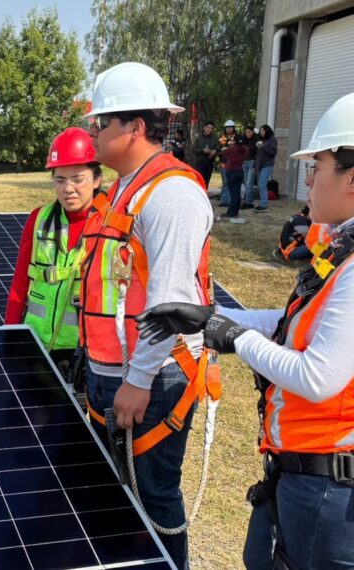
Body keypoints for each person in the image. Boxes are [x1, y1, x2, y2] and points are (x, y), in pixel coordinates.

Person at [137, 90, 354, 570]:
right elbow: (297, 326)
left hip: (340, 488)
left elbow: (316, 376)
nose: (307, 179)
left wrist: (233, 336)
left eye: (317, 166)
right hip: (320, 472)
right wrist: (206, 318)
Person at [80, 61, 215, 569]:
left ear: (136, 128)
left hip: (154, 379)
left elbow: (172, 303)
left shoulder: (172, 195)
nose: (94, 132)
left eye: (103, 122)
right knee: (117, 500)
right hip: (114, 370)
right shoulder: (125, 186)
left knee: (152, 499)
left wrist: (136, 381)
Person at [5, 127, 102, 372]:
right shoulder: (39, 218)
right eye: (60, 179)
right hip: (36, 340)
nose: (68, 188)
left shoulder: (110, 224)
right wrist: (10, 332)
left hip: (85, 349)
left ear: (97, 179)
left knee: (74, 411)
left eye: (77, 179)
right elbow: (20, 282)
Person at [220, 133, 249, 223]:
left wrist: (225, 148)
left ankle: (231, 212)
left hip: (231, 171)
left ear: (235, 141)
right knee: (237, 193)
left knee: (233, 193)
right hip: (240, 171)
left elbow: (223, 153)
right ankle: (236, 211)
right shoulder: (245, 149)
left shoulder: (232, 148)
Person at [254, 125, 278, 212]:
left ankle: (264, 205)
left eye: (262, 130)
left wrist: (263, 146)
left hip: (267, 165)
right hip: (260, 165)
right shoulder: (263, 140)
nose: (261, 132)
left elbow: (272, 152)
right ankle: (262, 204)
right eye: (260, 131)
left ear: (267, 131)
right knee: (261, 185)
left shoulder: (272, 139)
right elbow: (259, 156)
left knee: (262, 184)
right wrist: (256, 166)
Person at [192, 121, 218, 192]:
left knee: (206, 182)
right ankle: (197, 196)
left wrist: (215, 151)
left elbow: (218, 148)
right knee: (199, 181)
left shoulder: (215, 138)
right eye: (209, 128)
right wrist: (203, 150)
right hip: (200, 163)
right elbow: (194, 149)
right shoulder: (199, 137)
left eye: (212, 128)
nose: (210, 130)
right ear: (205, 128)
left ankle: (204, 197)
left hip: (209, 162)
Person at [217, 119, 238, 207]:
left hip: (233, 164)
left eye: (230, 127)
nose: (229, 129)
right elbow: (218, 149)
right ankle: (223, 200)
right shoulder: (222, 138)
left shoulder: (237, 137)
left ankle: (230, 200)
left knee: (231, 181)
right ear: (225, 129)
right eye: (227, 128)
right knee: (225, 181)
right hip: (223, 163)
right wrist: (221, 151)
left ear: (233, 128)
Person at [242, 127, 258, 208]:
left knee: (249, 183)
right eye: (246, 132)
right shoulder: (243, 141)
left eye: (249, 132)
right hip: (244, 162)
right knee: (246, 183)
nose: (248, 133)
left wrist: (256, 164)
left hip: (252, 162)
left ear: (253, 132)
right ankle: (250, 201)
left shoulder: (256, 141)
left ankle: (247, 203)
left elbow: (258, 154)